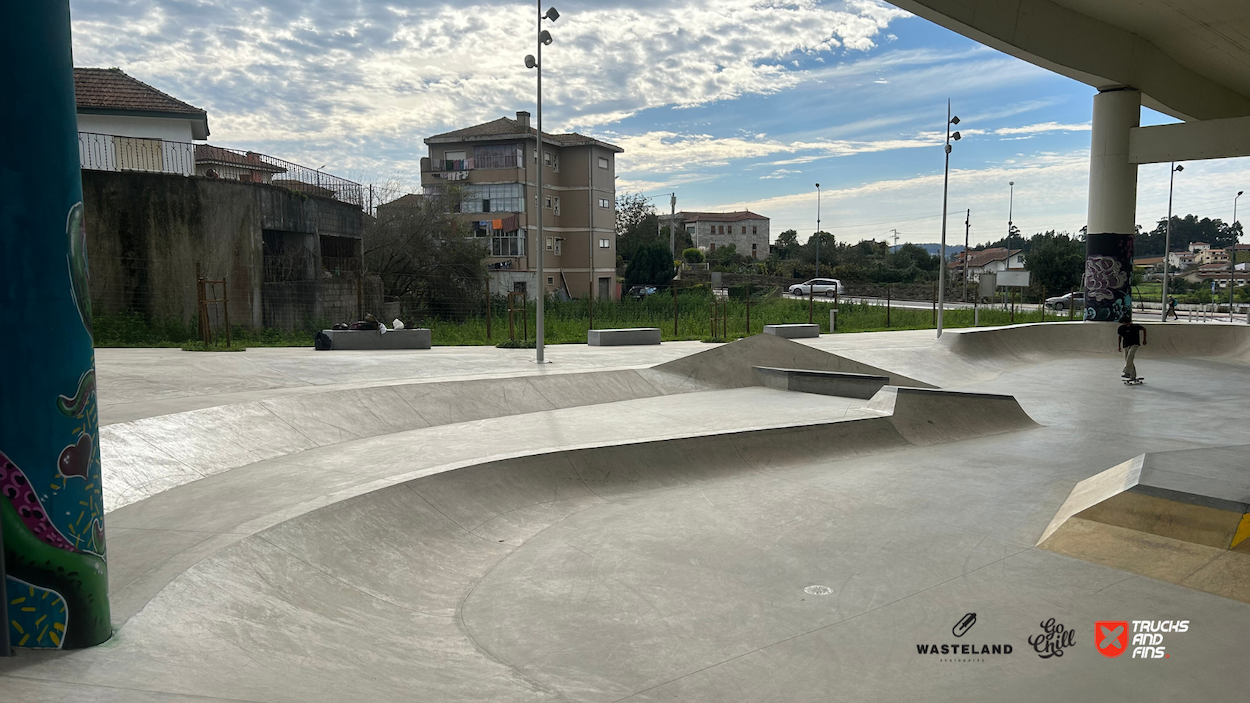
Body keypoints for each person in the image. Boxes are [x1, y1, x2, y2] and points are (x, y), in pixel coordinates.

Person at [1117, 314, 1147, 379]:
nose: (1122, 324)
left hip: (1135, 344)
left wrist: (1144, 339)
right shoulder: (1121, 328)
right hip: (1126, 345)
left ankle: (1127, 372)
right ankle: (1132, 375)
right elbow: (1120, 337)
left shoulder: (1135, 326)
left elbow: (1144, 329)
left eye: (1123, 322)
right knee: (1128, 360)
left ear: (1127, 322)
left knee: (1130, 357)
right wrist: (1119, 346)